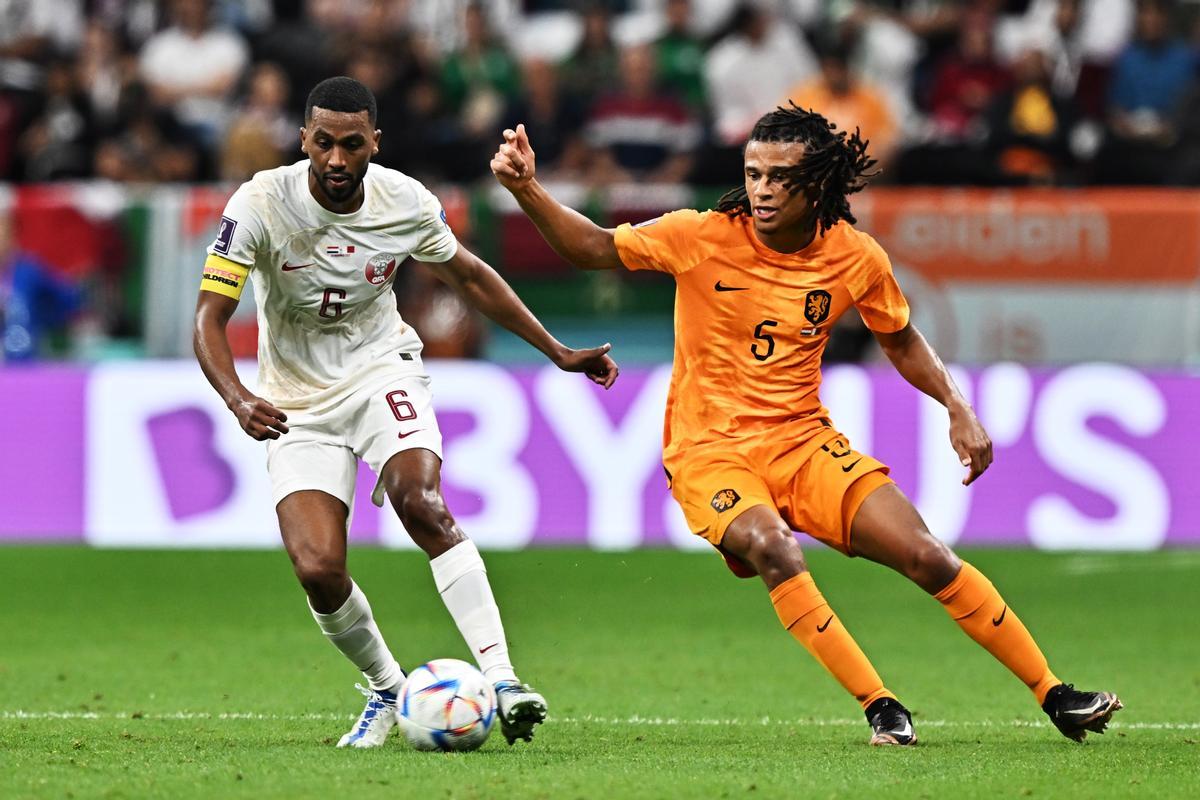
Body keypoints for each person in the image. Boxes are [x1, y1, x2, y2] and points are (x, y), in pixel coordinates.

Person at [489, 105, 1121, 746]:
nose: (760, 189)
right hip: (711, 451)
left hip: (804, 443)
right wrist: (527, 191)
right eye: (752, 173)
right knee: (773, 547)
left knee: (927, 556)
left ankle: (1055, 693)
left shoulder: (853, 256)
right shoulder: (699, 234)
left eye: (777, 177)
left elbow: (899, 339)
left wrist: (956, 405)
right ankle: (880, 705)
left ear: (815, 185)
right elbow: (593, 247)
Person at [193, 77, 618, 749]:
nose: (337, 159)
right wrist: (238, 396)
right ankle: (391, 690)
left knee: (421, 501)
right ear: (303, 139)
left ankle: (504, 682)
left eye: (352, 144)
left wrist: (557, 350)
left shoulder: (404, 201)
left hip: (379, 370)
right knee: (317, 568)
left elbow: (471, 277)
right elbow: (209, 317)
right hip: (294, 400)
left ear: (374, 144)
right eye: (324, 143)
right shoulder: (259, 204)